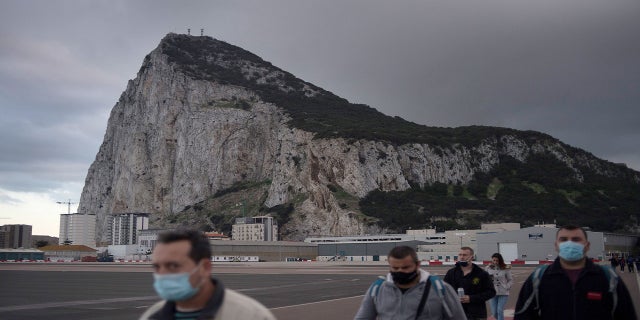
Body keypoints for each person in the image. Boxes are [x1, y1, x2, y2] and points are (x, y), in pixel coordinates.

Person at [139, 229, 276, 320]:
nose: (162, 274)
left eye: (173, 266)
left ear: (205, 267)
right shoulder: (151, 316)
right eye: (157, 267)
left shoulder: (251, 315)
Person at [514, 225, 637, 319]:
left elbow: (626, 315)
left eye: (576, 239)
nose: (569, 243)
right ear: (556, 246)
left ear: (587, 245)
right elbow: (522, 316)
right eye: (564, 239)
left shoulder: (608, 278)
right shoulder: (538, 279)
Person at [354, 246, 466, 320]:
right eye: (395, 268)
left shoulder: (440, 289)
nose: (400, 271)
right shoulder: (377, 289)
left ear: (417, 265)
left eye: (405, 267)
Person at [443, 247, 496, 320]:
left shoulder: (481, 274)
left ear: (472, 257)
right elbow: (444, 291)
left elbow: (491, 292)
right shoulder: (451, 273)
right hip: (456, 313)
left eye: (465, 255)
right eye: (460, 255)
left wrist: (471, 298)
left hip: (476, 314)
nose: (462, 257)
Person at [484, 253, 513, 320]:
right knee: (494, 312)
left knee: (500, 310)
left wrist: (507, 287)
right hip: (492, 292)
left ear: (500, 260)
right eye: (494, 260)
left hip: (503, 292)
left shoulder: (505, 268)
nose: (495, 262)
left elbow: (510, 280)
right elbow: (485, 280)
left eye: (497, 260)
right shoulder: (487, 268)